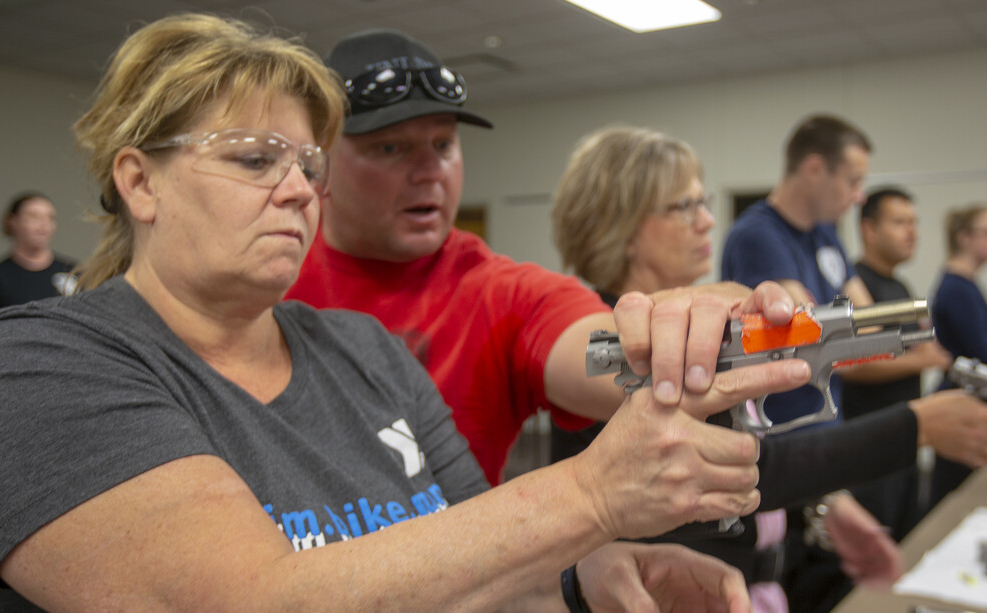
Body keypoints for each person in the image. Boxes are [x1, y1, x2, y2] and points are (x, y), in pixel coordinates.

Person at [0, 14, 814, 611]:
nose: (298, 191)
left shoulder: (363, 350)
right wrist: (588, 497)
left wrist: (579, 578)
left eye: (309, 166)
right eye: (256, 159)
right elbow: (249, 602)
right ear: (139, 180)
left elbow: (471, 567)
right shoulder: (26, 372)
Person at [286, 28, 786, 487]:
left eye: (443, 144)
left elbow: (601, 355)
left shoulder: (500, 292)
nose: (430, 171)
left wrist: (690, 326)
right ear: (318, 161)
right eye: (391, 147)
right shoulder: (264, 276)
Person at [549, 124, 987, 613]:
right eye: (684, 207)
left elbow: (754, 457)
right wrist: (916, 427)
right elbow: (744, 465)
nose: (708, 222)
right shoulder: (620, 349)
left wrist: (821, 506)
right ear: (621, 225)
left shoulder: (697, 329)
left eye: (705, 202)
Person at [843, 187, 952, 540]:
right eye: (899, 222)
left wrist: (918, 356)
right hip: (868, 449)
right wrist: (922, 360)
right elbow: (853, 362)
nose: (912, 232)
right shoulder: (854, 285)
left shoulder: (899, 287)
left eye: (914, 223)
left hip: (904, 444)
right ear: (869, 230)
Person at [930, 202, 987, 508]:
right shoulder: (957, 287)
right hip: (960, 400)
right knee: (953, 498)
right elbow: (981, 348)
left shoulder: (965, 284)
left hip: (965, 397)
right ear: (963, 237)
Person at [0, 191, 76, 329]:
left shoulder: (74, 272)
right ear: (12, 221)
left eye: (50, 218)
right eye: (33, 217)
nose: (43, 226)